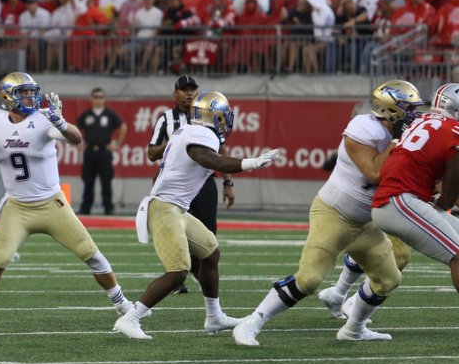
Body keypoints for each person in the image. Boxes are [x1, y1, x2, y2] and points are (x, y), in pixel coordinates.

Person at [232, 80, 422, 346]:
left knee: (389, 280)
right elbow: (375, 173)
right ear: (392, 108)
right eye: (409, 108)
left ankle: (353, 328)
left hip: (367, 222)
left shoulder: (403, 132)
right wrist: (397, 140)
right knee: (309, 280)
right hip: (334, 213)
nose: (414, 113)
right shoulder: (362, 127)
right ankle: (252, 322)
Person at [0, 72, 137, 329]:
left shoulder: (44, 118)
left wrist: (61, 123)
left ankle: (123, 304)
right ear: (7, 96)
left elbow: (76, 138)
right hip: (17, 207)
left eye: (31, 92)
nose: (30, 97)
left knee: (91, 254)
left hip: (51, 204)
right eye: (23, 92)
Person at [114, 91, 280, 340]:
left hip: (176, 207)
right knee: (179, 271)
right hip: (165, 208)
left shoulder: (190, 130)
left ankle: (214, 317)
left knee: (210, 252)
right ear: (214, 116)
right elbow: (209, 159)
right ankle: (130, 318)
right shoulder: (199, 134)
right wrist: (251, 163)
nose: (226, 121)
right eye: (223, 116)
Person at [148, 76, 234, 295]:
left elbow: (220, 152)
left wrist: (227, 181)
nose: (188, 93)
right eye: (184, 89)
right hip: (175, 184)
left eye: (192, 89)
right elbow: (151, 153)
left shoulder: (209, 117)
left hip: (204, 181)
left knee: (208, 233)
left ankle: (199, 272)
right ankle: (179, 271)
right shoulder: (166, 119)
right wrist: (175, 141)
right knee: (174, 227)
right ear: (175, 94)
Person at [371, 83, 459, 297]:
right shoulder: (454, 131)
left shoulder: (421, 121)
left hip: (400, 198)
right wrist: (445, 201)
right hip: (399, 199)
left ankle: (352, 323)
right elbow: (451, 186)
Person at [76, 88, 127, 216]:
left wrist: (117, 143)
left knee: (106, 181)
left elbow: (123, 127)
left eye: (101, 97)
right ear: (91, 98)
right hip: (90, 151)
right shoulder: (86, 114)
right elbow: (75, 128)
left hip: (105, 152)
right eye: (96, 96)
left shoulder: (109, 114)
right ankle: (85, 207)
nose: (98, 99)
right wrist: (78, 142)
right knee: (88, 181)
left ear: (104, 99)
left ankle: (108, 207)